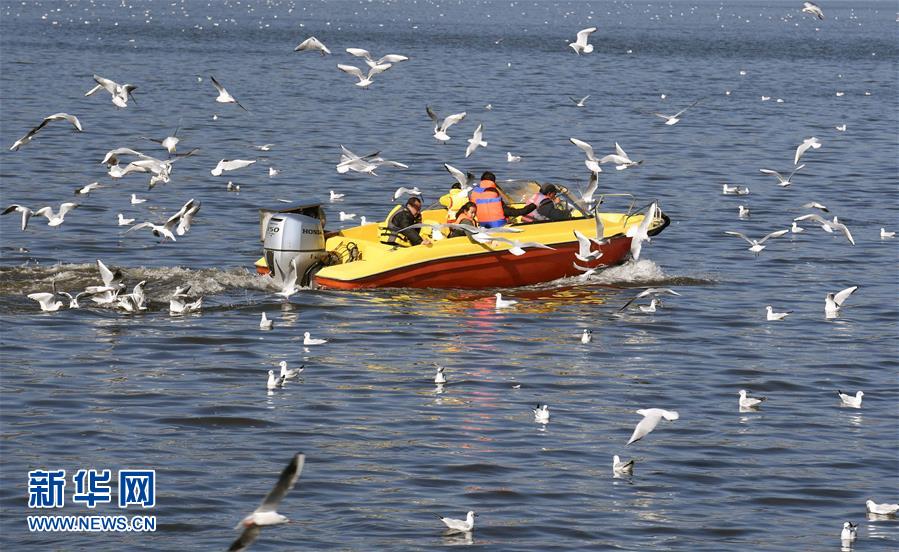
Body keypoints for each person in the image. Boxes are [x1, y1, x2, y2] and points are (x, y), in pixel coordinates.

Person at [468, 171, 535, 228]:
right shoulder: (493, 194)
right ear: (493, 182)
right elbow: (515, 212)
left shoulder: (474, 194)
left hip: (482, 225)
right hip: (499, 226)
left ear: (481, 181)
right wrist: (534, 205)